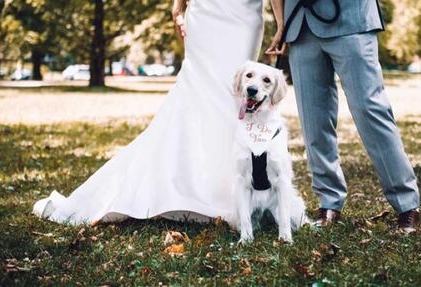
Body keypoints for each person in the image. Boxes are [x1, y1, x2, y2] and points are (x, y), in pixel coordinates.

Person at [33, 0, 284, 225]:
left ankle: (230, 192)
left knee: (232, 97)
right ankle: (193, 190)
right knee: (198, 93)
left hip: (243, 15)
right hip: (205, 14)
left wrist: (281, 21)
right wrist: (178, 6)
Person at [266, 0, 421, 233]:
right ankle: (328, 202)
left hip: (351, 19)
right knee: (313, 120)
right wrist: (281, 24)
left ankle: (407, 205)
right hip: (300, 25)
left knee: (371, 111)